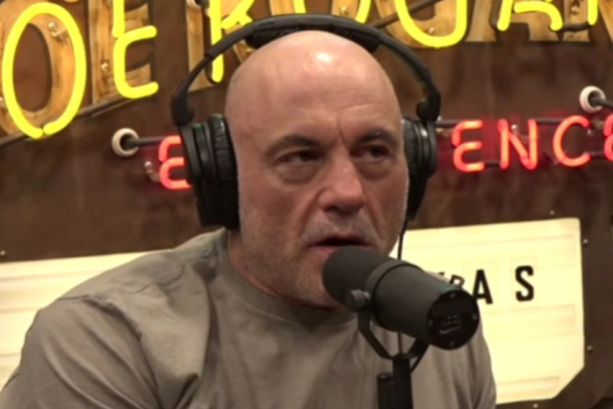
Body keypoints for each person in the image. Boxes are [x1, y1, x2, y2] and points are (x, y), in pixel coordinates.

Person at [0, 29, 496, 409]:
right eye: (301, 157)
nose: (347, 192)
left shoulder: (437, 326)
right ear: (226, 178)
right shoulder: (104, 342)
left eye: (373, 151)